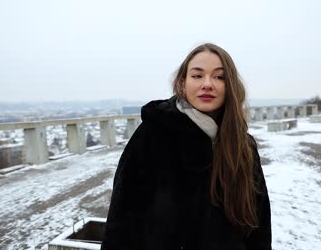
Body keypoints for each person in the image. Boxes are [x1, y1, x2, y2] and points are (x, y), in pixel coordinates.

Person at [101, 43, 271, 250]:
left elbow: (259, 223)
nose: (207, 84)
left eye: (219, 77)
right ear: (182, 83)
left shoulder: (243, 145)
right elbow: (122, 218)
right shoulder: (153, 135)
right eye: (197, 76)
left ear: (231, 86)